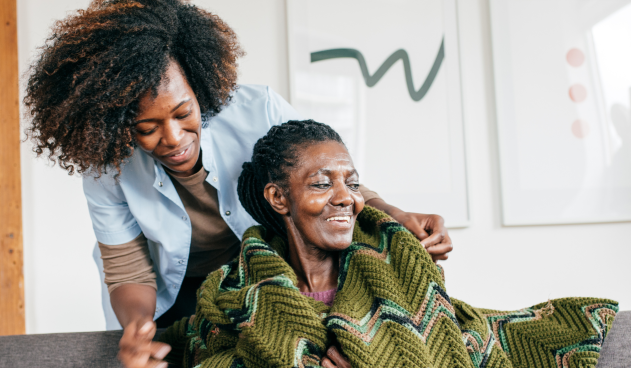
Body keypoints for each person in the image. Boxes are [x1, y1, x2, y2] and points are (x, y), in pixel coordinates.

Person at [23, 1, 451, 367]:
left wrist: (393, 214)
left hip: (264, 274)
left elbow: (325, 176)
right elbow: (127, 266)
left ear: (198, 84)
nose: (171, 138)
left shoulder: (257, 110)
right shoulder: (107, 163)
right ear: (117, 125)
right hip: (181, 293)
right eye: (146, 127)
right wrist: (138, 329)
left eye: (182, 113)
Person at [157, 120, 618, 368]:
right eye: (321, 183)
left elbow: (445, 346)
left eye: (351, 183)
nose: (345, 197)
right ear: (279, 198)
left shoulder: (398, 269)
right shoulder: (236, 290)